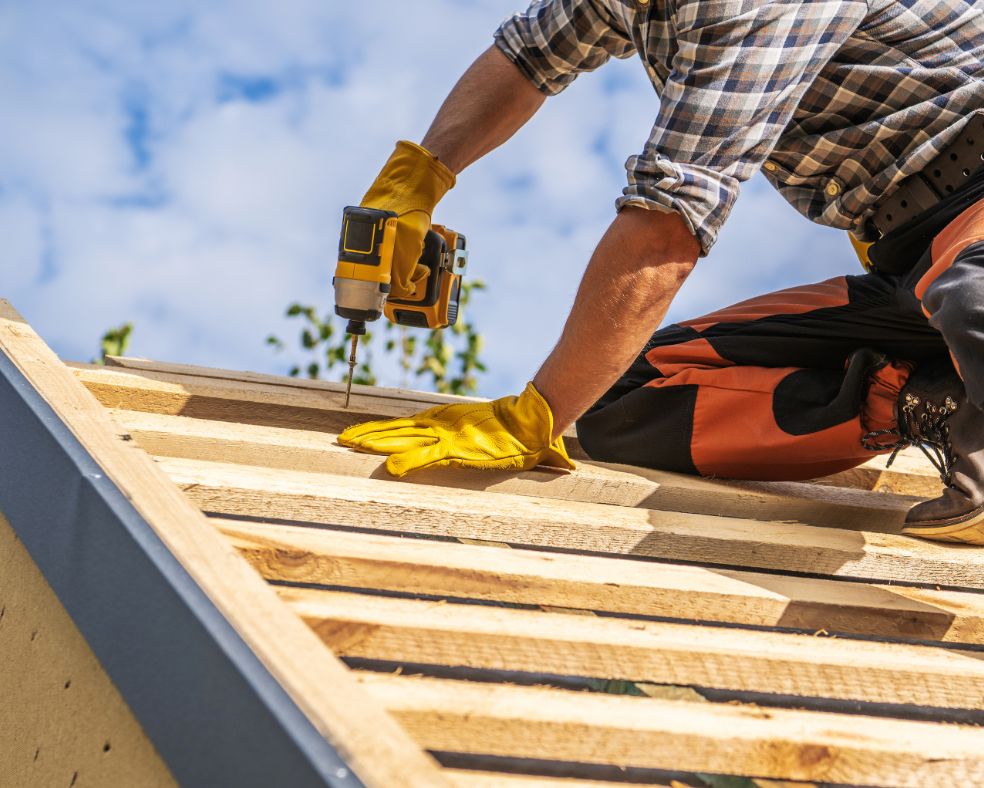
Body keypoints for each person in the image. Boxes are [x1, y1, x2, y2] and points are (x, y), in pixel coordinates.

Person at [338, 0, 984, 544]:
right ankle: (941, 399)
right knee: (624, 399)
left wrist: (529, 418)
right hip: (913, 253)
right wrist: (421, 175)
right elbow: (531, 55)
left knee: (970, 294)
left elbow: (671, 218)